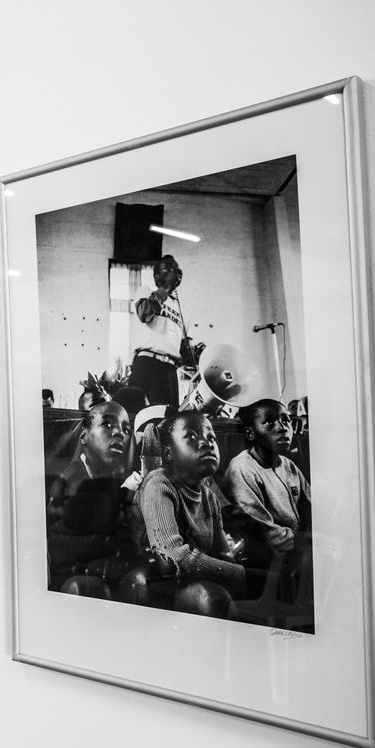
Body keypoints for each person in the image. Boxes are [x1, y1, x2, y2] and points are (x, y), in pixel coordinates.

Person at [132, 410, 249, 616]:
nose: (207, 443)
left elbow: (223, 555)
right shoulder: (158, 483)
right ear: (168, 453)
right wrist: (242, 576)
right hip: (155, 583)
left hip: (189, 578)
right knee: (208, 598)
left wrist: (242, 574)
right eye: (191, 436)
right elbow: (171, 559)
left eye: (211, 437)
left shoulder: (209, 496)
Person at [46, 401, 135, 588]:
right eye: (107, 424)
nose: (119, 432)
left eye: (126, 430)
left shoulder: (120, 481)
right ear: (83, 436)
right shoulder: (69, 483)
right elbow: (59, 547)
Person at [221, 399, 311, 569]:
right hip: (270, 560)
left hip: (297, 546)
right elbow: (264, 533)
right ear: (250, 433)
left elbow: (312, 508)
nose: (282, 427)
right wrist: (306, 541)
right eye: (269, 422)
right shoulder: (242, 468)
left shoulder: (288, 465)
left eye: (286, 420)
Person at [127, 255, 191, 405]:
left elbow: (183, 351)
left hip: (170, 371)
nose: (174, 271)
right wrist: (166, 287)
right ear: (156, 276)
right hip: (147, 364)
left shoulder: (183, 312)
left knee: (168, 416)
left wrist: (196, 353)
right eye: (168, 268)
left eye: (175, 268)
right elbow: (144, 313)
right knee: (138, 411)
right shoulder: (146, 291)